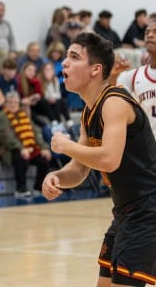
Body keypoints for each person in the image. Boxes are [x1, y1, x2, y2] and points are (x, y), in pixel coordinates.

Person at [43, 32, 156, 286]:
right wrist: (57, 177)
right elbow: (80, 170)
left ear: (96, 69)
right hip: (126, 211)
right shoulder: (88, 111)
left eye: (74, 57)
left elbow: (108, 160)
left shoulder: (114, 103)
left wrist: (67, 145)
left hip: (148, 211)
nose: (64, 63)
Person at [0, 90, 52, 198]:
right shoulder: (1, 116)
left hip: (28, 147)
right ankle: (20, 189)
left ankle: (38, 188)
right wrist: (21, 148)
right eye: (10, 102)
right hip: (8, 149)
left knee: (44, 159)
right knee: (21, 157)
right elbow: (7, 138)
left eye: (15, 102)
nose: (13, 105)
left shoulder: (23, 114)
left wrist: (43, 147)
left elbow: (35, 132)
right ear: (6, 104)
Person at [114, 21, 156, 139]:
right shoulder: (133, 76)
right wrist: (113, 75)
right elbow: (111, 100)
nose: (150, 35)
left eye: (155, 32)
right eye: (147, 32)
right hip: (148, 149)